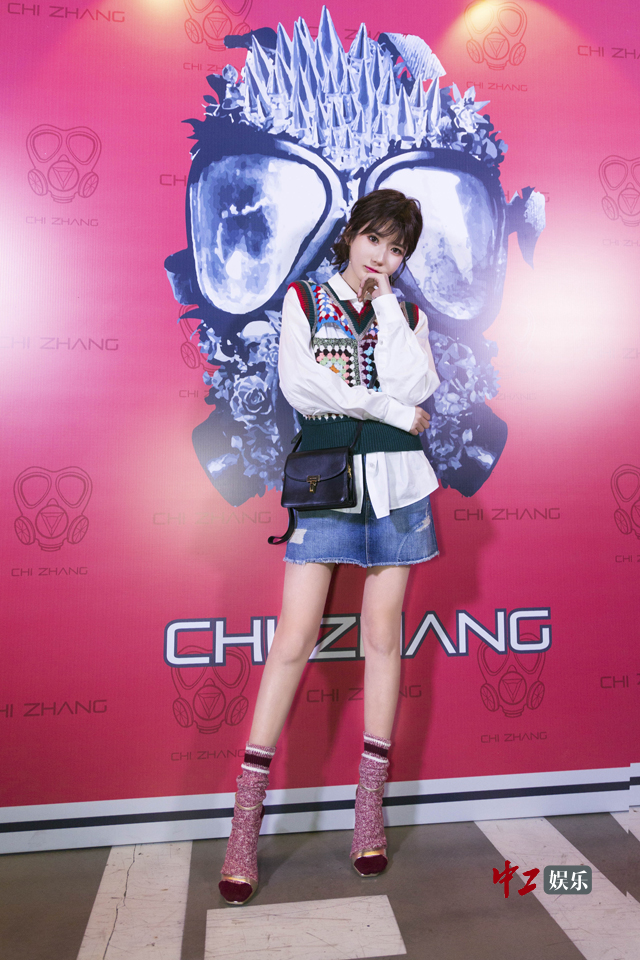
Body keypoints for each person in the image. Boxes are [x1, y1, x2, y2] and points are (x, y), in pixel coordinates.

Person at [218, 188, 441, 905]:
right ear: (351, 235)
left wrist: (386, 310)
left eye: (397, 249)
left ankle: (368, 811)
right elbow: (304, 388)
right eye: (375, 239)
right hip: (327, 485)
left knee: (383, 638)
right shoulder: (303, 302)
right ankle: (244, 826)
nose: (383, 257)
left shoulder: (408, 315)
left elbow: (420, 384)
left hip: (400, 490)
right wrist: (389, 410)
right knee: (293, 639)